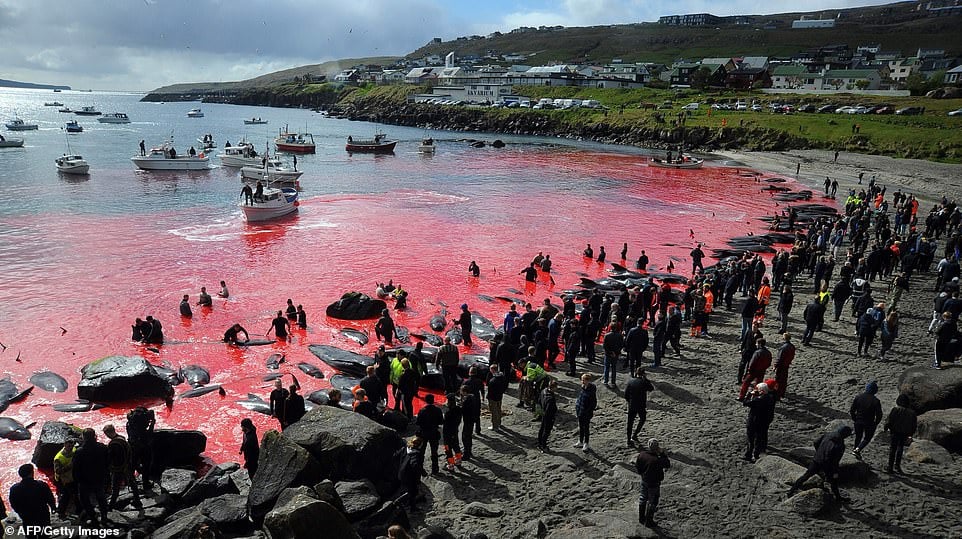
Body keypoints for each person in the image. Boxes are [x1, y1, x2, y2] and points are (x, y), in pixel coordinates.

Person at [788, 425, 853, 504]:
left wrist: (819, 452)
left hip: (817, 460)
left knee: (806, 476)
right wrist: (835, 471)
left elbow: (815, 442)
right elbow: (835, 461)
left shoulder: (828, 435)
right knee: (834, 481)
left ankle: (791, 491)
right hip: (828, 464)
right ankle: (838, 497)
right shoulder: (840, 445)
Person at [72, 428, 109, 527]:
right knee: (101, 498)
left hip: (84, 481)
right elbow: (107, 463)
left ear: (84, 437)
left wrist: (76, 481)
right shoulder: (102, 447)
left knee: (84, 500)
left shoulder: (79, 451)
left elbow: (75, 468)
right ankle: (104, 516)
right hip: (99, 478)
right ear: (94, 436)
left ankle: (93, 517)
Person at [103, 424, 142, 510]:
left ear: (108, 433)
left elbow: (112, 458)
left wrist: (110, 467)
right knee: (132, 483)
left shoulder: (113, 444)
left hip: (118, 469)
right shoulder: (122, 438)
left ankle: (111, 506)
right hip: (128, 466)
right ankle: (137, 500)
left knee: (115, 487)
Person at [8, 463, 56, 530]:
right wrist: (53, 508)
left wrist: (20, 512)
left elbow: (13, 503)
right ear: (32, 473)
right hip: (42, 514)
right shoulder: (42, 485)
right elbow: (50, 498)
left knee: (30, 535)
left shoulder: (14, 489)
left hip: (27, 516)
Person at [636, 438, 671, 527]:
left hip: (644, 480)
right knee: (653, 500)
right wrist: (663, 454)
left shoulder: (642, 455)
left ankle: (641, 518)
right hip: (654, 483)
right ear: (657, 448)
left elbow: (638, 467)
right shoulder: (657, 460)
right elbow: (667, 464)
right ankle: (649, 521)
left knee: (643, 498)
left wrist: (642, 474)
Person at [883, 395, 917, 474]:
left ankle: (890, 466)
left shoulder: (895, 410)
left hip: (895, 432)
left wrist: (886, 427)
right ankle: (897, 465)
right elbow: (914, 425)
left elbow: (889, 420)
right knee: (900, 448)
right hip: (905, 433)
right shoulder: (912, 413)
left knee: (893, 449)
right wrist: (911, 434)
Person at [743, 382, 776, 462]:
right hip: (764, 421)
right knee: (759, 438)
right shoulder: (770, 398)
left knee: (751, 438)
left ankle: (749, 454)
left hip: (754, 421)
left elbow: (745, 403)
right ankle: (756, 454)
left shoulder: (758, 400)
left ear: (761, 391)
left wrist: (750, 394)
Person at [850, 380, 883, 459]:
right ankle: (857, 450)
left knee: (858, 437)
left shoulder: (858, 397)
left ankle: (855, 450)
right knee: (867, 438)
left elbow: (852, 410)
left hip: (858, 420)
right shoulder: (876, 401)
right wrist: (876, 423)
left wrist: (854, 418)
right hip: (869, 422)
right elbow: (879, 414)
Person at [125, 406, 155, 491]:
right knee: (146, 465)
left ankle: (131, 483)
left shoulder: (129, 423)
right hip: (144, 446)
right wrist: (152, 423)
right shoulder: (142, 426)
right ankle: (146, 484)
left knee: (133, 465)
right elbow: (149, 434)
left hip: (133, 445)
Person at [624, 367, 654, 446]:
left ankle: (628, 439)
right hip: (641, 405)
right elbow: (651, 388)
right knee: (642, 419)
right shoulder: (644, 382)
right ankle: (635, 434)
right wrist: (646, 379)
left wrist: (629, 401)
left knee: (630, 423)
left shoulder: (631, 381)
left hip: (632, 405)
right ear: (643, 374)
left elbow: (626, 395)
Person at [415, 394, 443, 474]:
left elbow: (418, 423)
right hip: (434, 433)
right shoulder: (438, 410)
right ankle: (435, 469)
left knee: (421, 452)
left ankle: (420, 469)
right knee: (434, 452)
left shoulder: (422, 410)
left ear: (426, 400)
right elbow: (441, 422)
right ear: (433, 400)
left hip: (423, 433)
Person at [397, 436, 426, 511]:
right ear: (420, 445)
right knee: (413, 491)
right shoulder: (416, 453)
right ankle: (408, 506)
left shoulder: (404, 449)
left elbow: (396, 456)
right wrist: (422, 472)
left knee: (405, 489)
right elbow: (415, 465)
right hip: (410, 476)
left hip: (401, 473)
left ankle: (409, 506)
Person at [53, 438, 78, 518]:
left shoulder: (74, 450)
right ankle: (61, 511)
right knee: (66, 496)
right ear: (64, 445)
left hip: (72, 477)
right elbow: (58, 471)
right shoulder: (59, 458)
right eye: (69, 446)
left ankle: (77, 509)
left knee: (75, 493)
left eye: (72, 446)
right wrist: (70, 466)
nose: (70, 447)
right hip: (63, 480)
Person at [575, 373, 598, 451]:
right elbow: (580, 399)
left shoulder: (591, 391)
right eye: (581, 380)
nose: (582, 381)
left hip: (586, 413)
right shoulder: (583, 388)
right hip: (580, 411)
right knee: (581, 427)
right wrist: (577, 408)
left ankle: (586, 443)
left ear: (587, 380)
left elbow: (593, 403)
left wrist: (588, 411)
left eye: (583, 380)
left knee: (586, 428)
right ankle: (580, 441)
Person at [442, 393, 463, 471]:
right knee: (456, 445)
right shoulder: (458, 409)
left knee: (448, 448)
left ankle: (450, 464)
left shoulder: (448, 412)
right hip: (455, 430)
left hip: (447, 432)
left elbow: (444, 422)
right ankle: (458, 460)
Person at [537, 379, 558, 452]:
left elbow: (539, 400)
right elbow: (550, 410)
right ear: (553, 387)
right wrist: (552, 418)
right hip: (548, 416)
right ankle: (543, 445)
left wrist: (539, 413)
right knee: (546, 431)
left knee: (542, 429)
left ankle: (539, 443)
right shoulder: (551, 398)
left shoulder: (543, 391)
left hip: (543, 413)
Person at [460, 385, 480, 461]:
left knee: (465, 437)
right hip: (471, 419)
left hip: (468, 420)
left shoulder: (467, 400)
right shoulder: (473, 397)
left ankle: (466, 453)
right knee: (468, 436)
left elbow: (463, 410)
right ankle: (468, 451)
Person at [773, 333, 795, 400]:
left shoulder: (783, 348)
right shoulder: (792, 346)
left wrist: (775, 366)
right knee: (784, 379)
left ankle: (777, 394)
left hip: (781, 366)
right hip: (786, 365)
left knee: (778, 380)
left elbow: (779, 358)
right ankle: (782, 392)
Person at [487, 364, 507, 431]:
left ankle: (495, 426)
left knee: (493, 412)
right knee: (498, 410)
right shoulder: (502, 377)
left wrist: (488, 397)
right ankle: (499, 423)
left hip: (493, 398)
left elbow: (490, 391)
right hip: (499, 396)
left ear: (492, 370)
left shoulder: (492, 380)